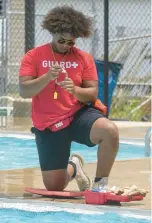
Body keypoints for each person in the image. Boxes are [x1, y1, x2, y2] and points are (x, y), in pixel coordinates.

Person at [19, 6, 119, 192]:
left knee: (109, 131)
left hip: (77, 115)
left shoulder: (83, 58)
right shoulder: (33, 56)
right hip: (48, 124)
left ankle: (100, 187)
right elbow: (24, 91)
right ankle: (74, 166)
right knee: (54, 187)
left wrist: (74, 90)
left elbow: (92, 93)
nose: (66, 45)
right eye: (62, 40)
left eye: (70, 42)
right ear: (53, 33)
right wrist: (47, 77)